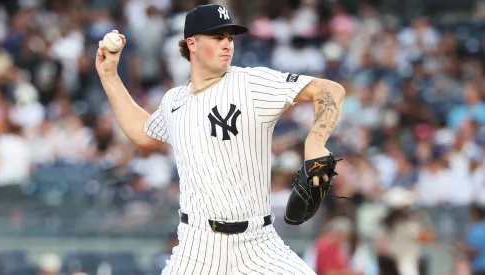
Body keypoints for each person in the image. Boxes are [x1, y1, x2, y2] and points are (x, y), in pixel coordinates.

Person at [95, 4, 346, 274]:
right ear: (191, 43)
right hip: (197, 247)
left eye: (229, 38)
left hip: (258, 244)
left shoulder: (251, 83)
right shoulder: (174, 101)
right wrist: (109, 76)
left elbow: (330, 90)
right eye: (217, 38)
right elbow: (143, 134)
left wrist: (315, 144)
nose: (227, 45)